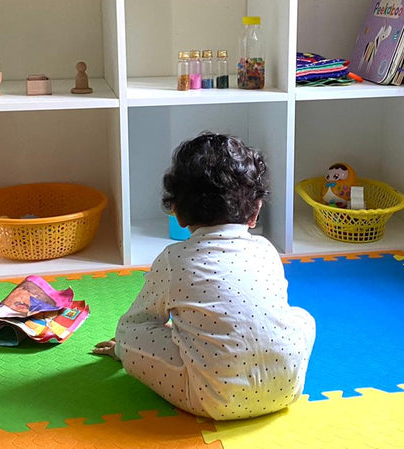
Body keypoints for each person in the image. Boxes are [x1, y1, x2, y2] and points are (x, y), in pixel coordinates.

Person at [93, 132, 315, 420]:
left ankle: (126, 352)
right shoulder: (265, 249)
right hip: (287, 389)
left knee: (127, 335)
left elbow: (139, 321)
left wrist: (125, 349)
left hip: (213, 400)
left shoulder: (174, 259)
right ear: (255, 211)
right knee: (302, 318)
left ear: (178, 213)